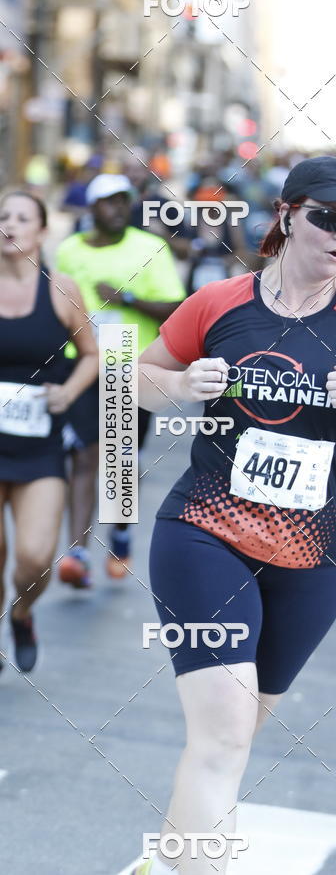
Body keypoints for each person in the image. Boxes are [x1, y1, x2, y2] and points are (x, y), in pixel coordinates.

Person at [132, 156, 336, 874]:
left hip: (309, 559)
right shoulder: (221, 302)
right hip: (206, 535)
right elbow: (134, 384)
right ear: (288, 215)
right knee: (224, 736)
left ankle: (164, 863)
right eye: (328, 217)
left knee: (229, 741)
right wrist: (180, 383)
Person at [55, 173, 186, 586]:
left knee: (119, 461)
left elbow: (175, 309)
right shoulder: (69, 250)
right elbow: (57, 304)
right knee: (83, 456)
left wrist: (126, 298)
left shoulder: (150, 248)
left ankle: (121, 535)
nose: (117, 209)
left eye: (124, 201)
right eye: (108, 202)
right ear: (91, 208)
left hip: (129, 362)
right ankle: (77, 552)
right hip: (81, 362)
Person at [0, 192, 97, 671]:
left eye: (22, 217)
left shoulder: (62, 289)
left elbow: (94, 355)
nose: (9, 224)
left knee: (35, 559)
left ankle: (22, 613)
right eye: (3, 216)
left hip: (40, 447)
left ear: (41, 231)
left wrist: (70, 390)